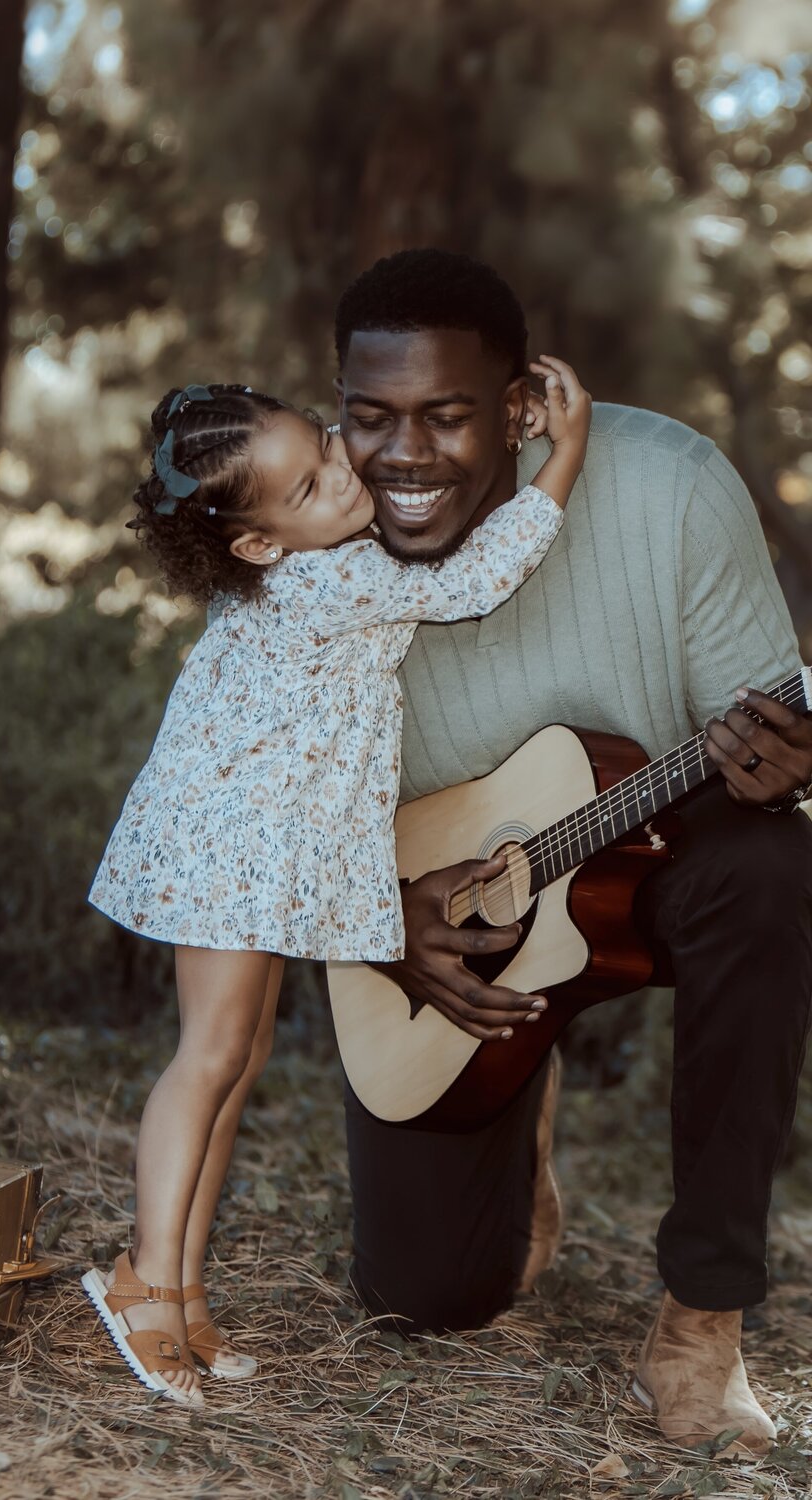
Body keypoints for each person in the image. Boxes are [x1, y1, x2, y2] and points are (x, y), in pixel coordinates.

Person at [332, 247, 812, 1456]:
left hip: (656, 842)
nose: (404, 457)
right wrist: (382, 916)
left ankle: (703, 1320)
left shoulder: (671, 490)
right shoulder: (313, 543)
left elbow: (768, 742)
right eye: (372, 417)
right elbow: (250, 822)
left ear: (521, 408)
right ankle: (524, 1083)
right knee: (426, 1301)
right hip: (433, 914)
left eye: (447, 415)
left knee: (772, 869)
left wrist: (791, 767)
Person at [83, 363, 592, 1406]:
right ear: (260, 544)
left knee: (241, 1054)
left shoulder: (307, 556)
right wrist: (562, 457)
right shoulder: (337, 578)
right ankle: (142, 1277)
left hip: (248, 846)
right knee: (210, 1057)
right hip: (234, 848)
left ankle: (182, 1286)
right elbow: (471, 580)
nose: (342, 478)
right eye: (311, 488)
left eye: (323, 447)